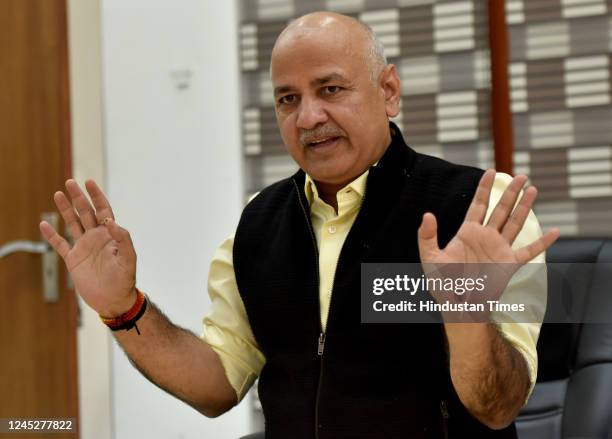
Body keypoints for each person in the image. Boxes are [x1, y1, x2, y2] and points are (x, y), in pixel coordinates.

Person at [41, 11, 559, 439]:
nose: (308, 117)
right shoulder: (257, 224)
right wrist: (123, 308)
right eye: (288, 99)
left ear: (389, 91)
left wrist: (467, 317)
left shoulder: (479, 210)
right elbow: (217, 384)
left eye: (331, 89)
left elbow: (498, 407)